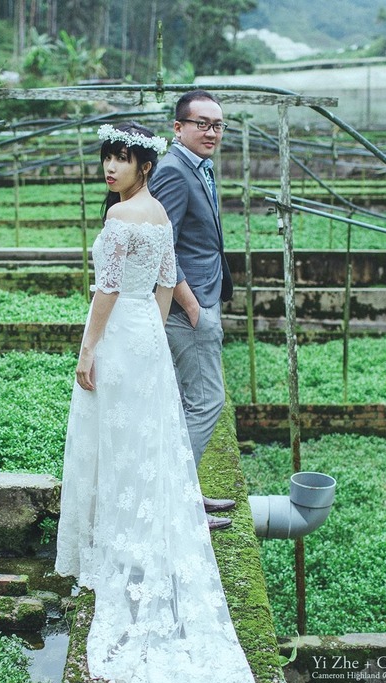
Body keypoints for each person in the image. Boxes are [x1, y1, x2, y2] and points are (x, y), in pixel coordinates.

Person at [54, 122, 257, 683]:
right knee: (146, 441)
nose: (111, 167)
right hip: (146, 333)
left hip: (120, 335)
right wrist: (151, 337)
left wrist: (89, 348)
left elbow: (106, 291)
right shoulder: (160, 219)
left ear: (144, 165)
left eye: (122, 159)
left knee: (118, 441)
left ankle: (120, 542)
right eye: (107, 159)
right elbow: (165, 286)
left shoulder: (121, 220)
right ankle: (136, 537)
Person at [149, 90, 237, 530]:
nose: (212, 132)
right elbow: (162, 247)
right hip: (189, 306)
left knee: (191, 402)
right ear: (178, 128)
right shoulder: (174, 171)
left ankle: (186, 492)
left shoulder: (195, 166)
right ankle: (174, 504)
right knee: (206, 402)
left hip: (203, 294)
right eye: (202, 123)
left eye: (218, 125)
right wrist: (191, 304)